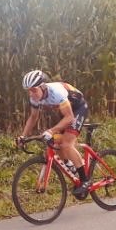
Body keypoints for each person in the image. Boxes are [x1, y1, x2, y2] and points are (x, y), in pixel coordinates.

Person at [17, 70, 92, 199]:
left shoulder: (56, 92)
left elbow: (69, 117)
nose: (31, 94)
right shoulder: (34, 97)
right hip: (65, 110)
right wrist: (23, 136)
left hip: (78, 108)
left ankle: (85, 180)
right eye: (28, 91)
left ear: (43, 86)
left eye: (34, 90)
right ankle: (71, 165)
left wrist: (51, 131)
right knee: (56, 142)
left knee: (66, 144)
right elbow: (33, 117)